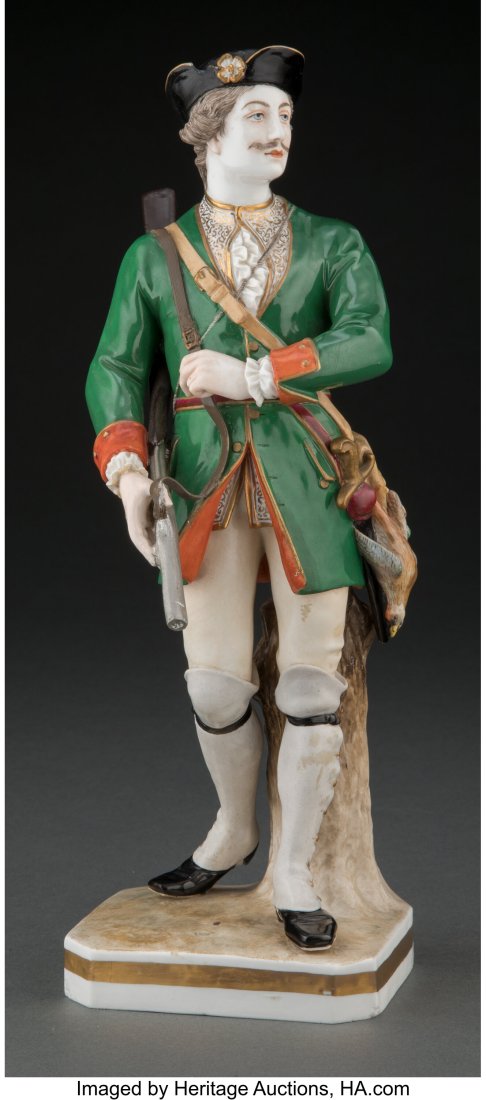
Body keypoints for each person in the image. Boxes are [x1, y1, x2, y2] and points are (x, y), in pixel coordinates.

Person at [85, 45, 392, 951]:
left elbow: (369, 338)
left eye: (285, 116)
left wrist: (258, 374)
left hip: (309, 478)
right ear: (210, 135)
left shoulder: (334, 242)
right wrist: (128, 474)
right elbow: (114, 369)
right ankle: (233, 828)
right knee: (215, 682)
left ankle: (294, 870)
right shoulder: (155, 256)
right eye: (257, 115)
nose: (279, 131)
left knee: (310, 682)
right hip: (202, 483)